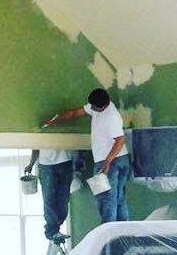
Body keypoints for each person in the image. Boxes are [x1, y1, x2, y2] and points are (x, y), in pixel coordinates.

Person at [42, 88, 130, 223]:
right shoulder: (97, 105)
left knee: (106, 200)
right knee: (118, 199)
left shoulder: (111, 116)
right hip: (117, 160)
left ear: (104, 106)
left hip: (112, 161)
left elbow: (120, 140)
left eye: (95, 108)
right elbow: (76, 112)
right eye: (92, 106)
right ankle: (122, 236)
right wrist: (57, 118)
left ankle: (108, 240)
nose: (92, 109)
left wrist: (107, 164)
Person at [25, 148, 72, 243]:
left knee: (63, 199)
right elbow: (35, 146)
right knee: (49, 200)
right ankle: (52, 230)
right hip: (46, 163)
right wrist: (31, 163)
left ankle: (55, 228)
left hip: (65, 161)